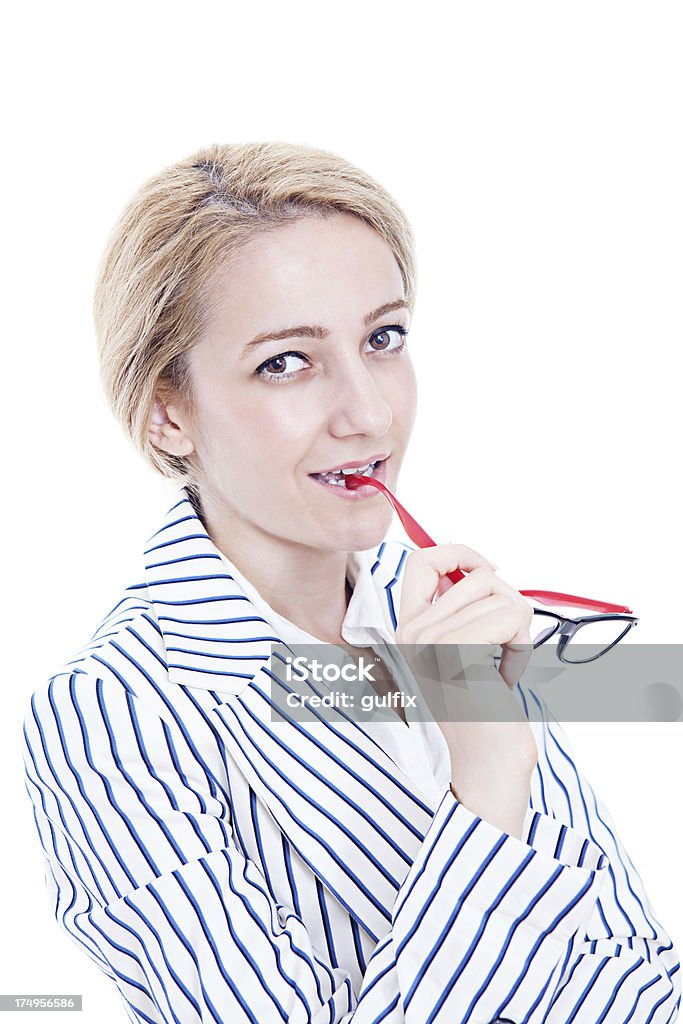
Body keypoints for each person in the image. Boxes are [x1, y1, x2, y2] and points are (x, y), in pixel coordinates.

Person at [22, 142, 680, 1024]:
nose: (369, 413)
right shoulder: (110, 712)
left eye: (384, 338)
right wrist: (483, 775)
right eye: (285, 362)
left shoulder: (437, 615)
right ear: (167, 411)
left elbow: (623, 959)